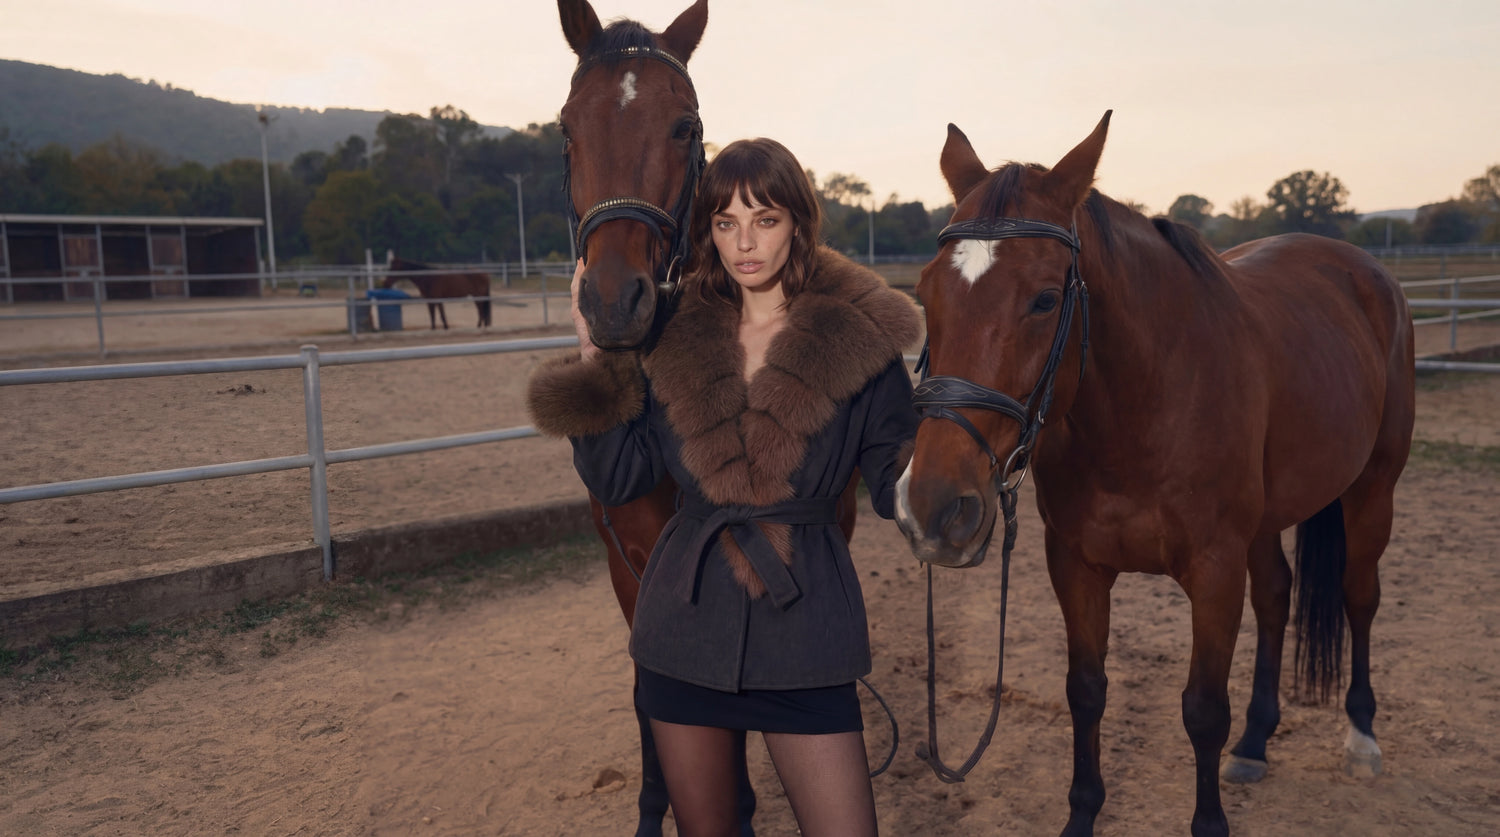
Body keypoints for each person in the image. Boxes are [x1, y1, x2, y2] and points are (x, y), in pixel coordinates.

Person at [527, 138, 920, 836]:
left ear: (798, 223)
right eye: (725, 222)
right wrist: (595, 357)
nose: (745, 243)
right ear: (706, 229)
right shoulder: (669, 332)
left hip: (807, 631)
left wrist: (955, 463)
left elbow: (897, 484)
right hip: (683, 630)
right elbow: (620, 476)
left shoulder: (860, 336)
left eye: (765, 219)